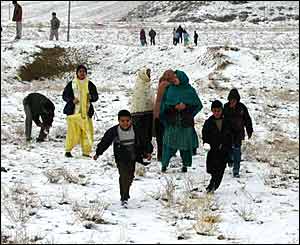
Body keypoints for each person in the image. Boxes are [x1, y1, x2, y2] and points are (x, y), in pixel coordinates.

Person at [93, 110, 153, 207]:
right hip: (121, 156)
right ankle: (124, 197)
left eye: (127, 121)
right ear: (118, 121)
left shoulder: (136, 129)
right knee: (124, 175)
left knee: (130, 176)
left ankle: (126, 191)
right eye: (122, 121)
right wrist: (98, 153)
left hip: (133, 155)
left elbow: (145, 140)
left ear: (131, 120)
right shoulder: (114, 131)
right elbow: (105, 142)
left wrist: (148, 152)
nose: (125, 123)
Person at [160, 70, 203, 173]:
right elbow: (164, 105)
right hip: (173, 121)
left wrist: (186, 107)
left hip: (185, 122)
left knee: (185, 145)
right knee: (168, 144)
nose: (174, 80)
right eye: (173, 78)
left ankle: (185, 164)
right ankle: (164, 164)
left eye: (176, 78)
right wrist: (174, 107)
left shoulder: (190, 91)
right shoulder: (169, 89)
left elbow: (197, 105)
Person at [62, 64, 99, 158]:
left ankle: (86, 152)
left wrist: (91, 97)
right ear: (77, 73)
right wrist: (71, 100)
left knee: (87, 133)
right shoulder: (71, 84)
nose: (82, 73)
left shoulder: (90, 84)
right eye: (80, 71)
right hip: (74, 114)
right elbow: (64, 96)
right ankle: (68, 151)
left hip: (86, 114)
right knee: (72, 133)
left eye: (84, 72)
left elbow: (96, 97)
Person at [202, 100, 233, 193]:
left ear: (222, 110)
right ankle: (211, 186)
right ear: (212, 111)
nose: (216, 113)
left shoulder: (227, 121)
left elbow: (231, 134)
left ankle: (213, 187)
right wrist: (206, 143)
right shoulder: (208, 122)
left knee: (220, 170)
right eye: (214, 111)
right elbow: (205, 134)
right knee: (213, 169)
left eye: (218, 111)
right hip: (213, 150)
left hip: (224, 150)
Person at [223, 88, 253, 178]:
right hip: (228, 133)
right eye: (231, 100)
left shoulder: (242, 107)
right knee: (229, 150)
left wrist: (249, 130)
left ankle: (236, 170)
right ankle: (230, 160)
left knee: (237, 151)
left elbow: (247, 119)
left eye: (234, 100)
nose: (232, 102)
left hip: (238, 133)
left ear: (237, 100)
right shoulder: (225, 107)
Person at [153, 70, 177, 161]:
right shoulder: (166, 84)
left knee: (161, 136)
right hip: (162, 113)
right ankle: (162, 155)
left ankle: (161, 154)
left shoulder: (162, 83)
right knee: (163, 136)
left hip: (158, 113)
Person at [130, 68, 154, 159]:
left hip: (148, 113)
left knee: (147, 134)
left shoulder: (148, 86)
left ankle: (147, 151)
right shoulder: (139, 86)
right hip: (138, 114)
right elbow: (138, 100)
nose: (149, 75)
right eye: (147, 74)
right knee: (140, 134)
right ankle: (143, 152)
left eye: (149, 74)